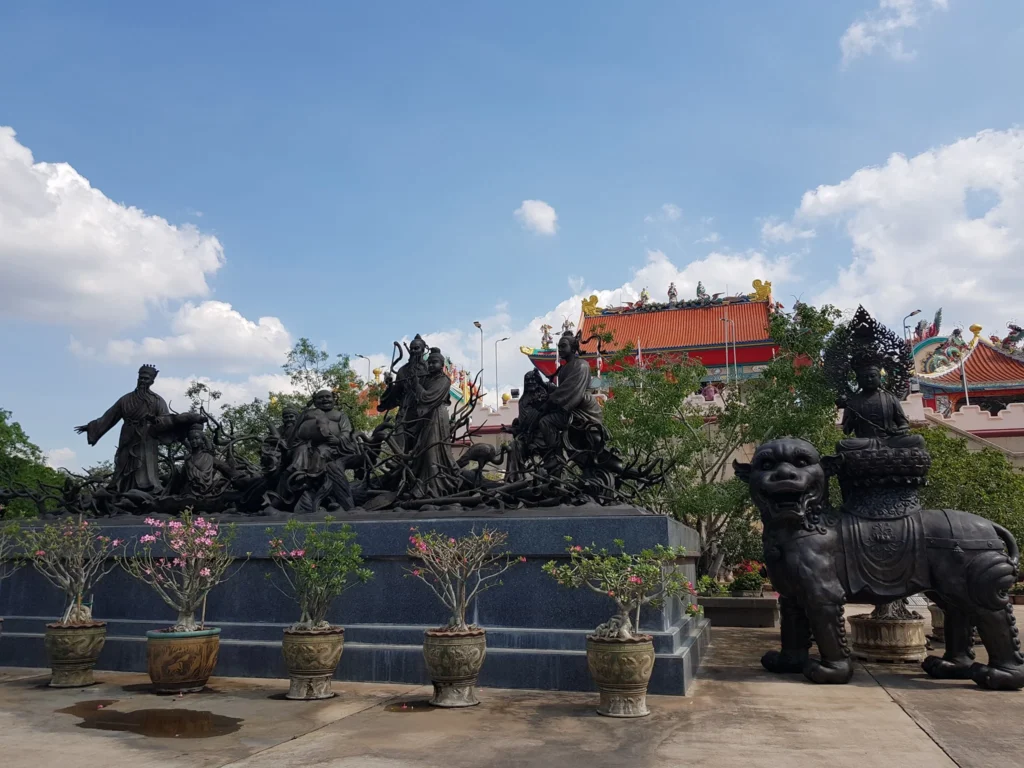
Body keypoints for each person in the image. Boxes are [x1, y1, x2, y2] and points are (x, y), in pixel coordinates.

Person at [75, 364, 201, 494]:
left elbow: (166, 419)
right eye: (141, 378)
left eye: (146, 379)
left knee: (146, 464)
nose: (142, 381)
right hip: (128, 434)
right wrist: (91, 426)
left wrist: (155, 420)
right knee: (123, 462)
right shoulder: (126, 399)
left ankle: (148, 489)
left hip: (147, 436)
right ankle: (120, 490)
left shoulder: (157, 400)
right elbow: (110, 416)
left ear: (152, 381)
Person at [284, 389, 357, 512]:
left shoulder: (339, 415)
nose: (324, 399)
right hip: (305, 444)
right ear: (314, 400)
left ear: (334, 399)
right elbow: (295, 430)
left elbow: (346, 431)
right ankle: (299, 475)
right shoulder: (306, 413)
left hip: (330, 446)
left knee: (321, 453)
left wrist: (339, 440)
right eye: (320, 397)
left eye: (327, 397)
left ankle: (313, 481)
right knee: (300, 451)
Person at [839, 354, 925, 451]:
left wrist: (899, 430)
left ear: (879, 377)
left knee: (918, 440)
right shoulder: (852, 402)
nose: (869, 379)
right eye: (865, 377)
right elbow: (846, 431)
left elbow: (903, 423)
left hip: (890, 440)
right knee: (843, 444)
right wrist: (852, 417)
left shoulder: (890, 398)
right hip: (865, 441)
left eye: (872, 376)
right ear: (858, 380)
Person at [407, 347, 461, 498]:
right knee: (422, 451)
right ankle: (421, 486)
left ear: (442, 365)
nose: (431, 365)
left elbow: (427, 397)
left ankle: (435, 488)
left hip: (436, 417)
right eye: (429, 363)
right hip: (424, 419)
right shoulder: (427, 378)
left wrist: (418, 385)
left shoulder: (444, 380)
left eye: (434, 363)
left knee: (432, 450)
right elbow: (415, 394)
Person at [377, 334, 427, 452]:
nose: (414, 351)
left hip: (422, 410)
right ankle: (399, 464)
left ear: (423, 350)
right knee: (399, 438)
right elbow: (396, 392)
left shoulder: (428, 368)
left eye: (417, 348)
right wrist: (390, 385)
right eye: (412, 348)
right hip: (405, 410)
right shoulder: (403, 370)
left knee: (421, 442)